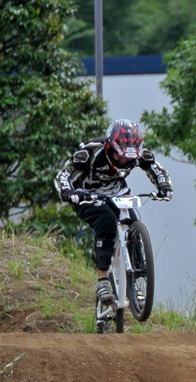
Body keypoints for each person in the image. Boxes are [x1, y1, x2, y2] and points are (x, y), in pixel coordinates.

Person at [54, 118, 174, 306]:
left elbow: (156, 169)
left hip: (117, 194)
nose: (125, 161)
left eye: (130, 158)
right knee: (107, 222)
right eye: (121, 156)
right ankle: (102, 280)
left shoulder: (136, 154)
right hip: (88, 195)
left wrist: (164, 186)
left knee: (133, 225)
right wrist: (68, 191)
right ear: (110, 147)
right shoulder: (90, 151)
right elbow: (63, 175)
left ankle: (135, 282)